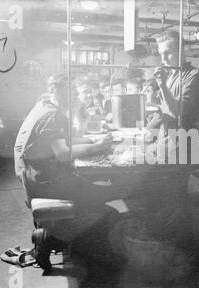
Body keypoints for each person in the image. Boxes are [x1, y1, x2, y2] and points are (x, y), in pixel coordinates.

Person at [14, 73, 133, 226]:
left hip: (36, 176)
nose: (76, 95)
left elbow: (62, 141)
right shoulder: (51, 115)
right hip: (45, 182)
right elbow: (63, 153)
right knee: (112, 192)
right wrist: (97, 146)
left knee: (102, 191)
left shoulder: (45, 106)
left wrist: (91, 139)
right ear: (55, 91)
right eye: (71, 90)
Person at [153, 30, 199, 132]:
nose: (163, 59)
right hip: (166, 138)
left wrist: (163, 86)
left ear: (181, 50)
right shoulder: (170, 75)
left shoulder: (194, 76)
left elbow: (178, 112)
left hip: (183, 141)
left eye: (167, 53)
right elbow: (165, 108)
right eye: (161, 54)